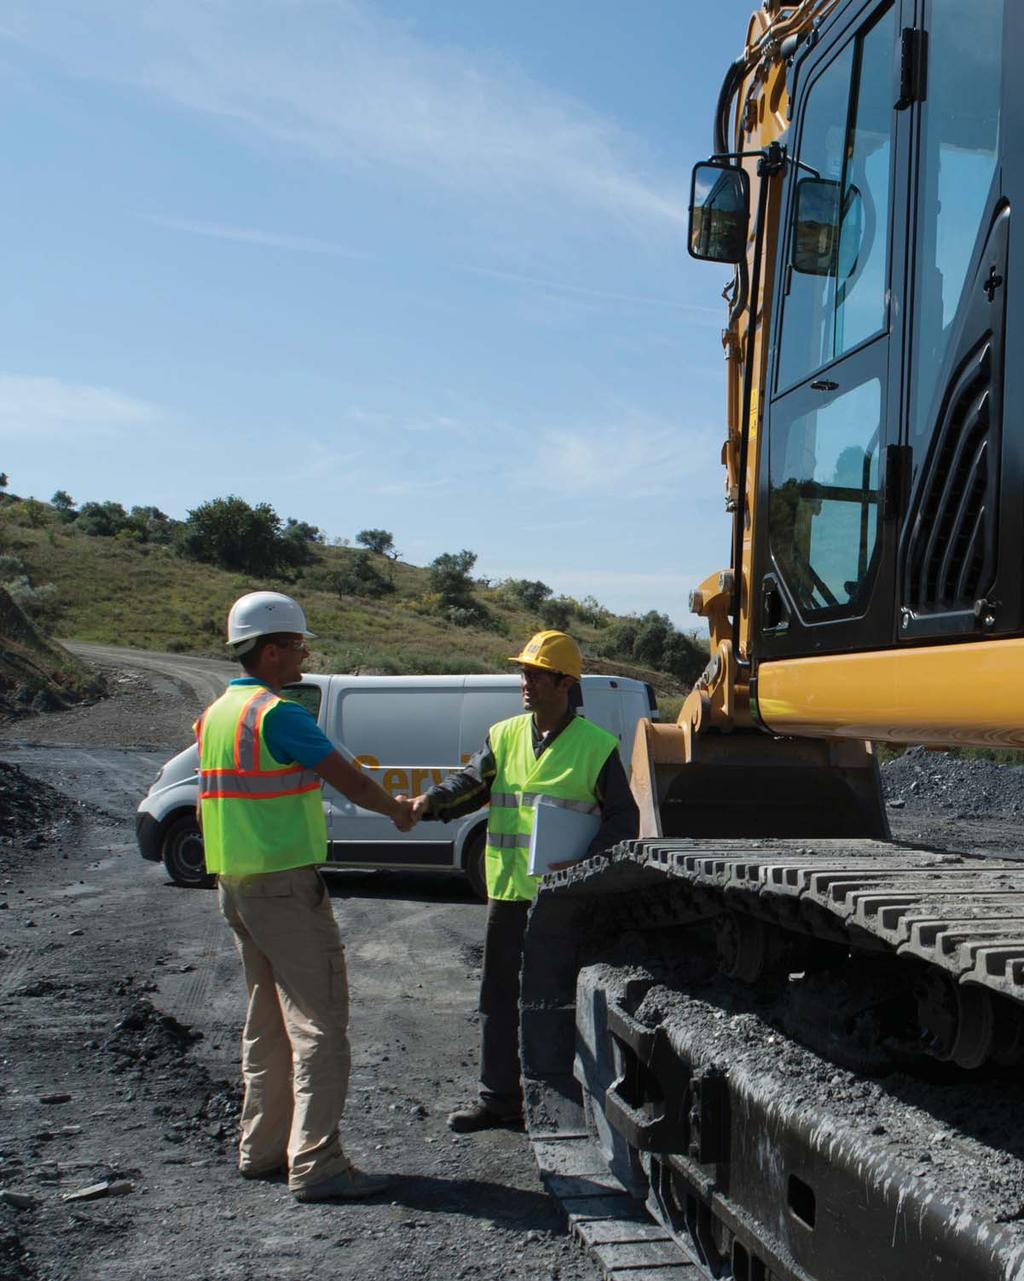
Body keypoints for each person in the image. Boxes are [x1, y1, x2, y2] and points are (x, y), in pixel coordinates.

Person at [196, 590, 414, 1201]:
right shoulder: (279, 713)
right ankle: (317, 1164)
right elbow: (348, 778)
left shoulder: (216, 715)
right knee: (320, 1025)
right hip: (284, 886)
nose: (303, 653)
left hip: (235, 884)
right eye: (295, 644)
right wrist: (398, 810)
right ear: (268, 652)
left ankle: (262, 1150)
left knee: (266, 1022)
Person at [409, 629, 639, 1132]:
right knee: (496, 998)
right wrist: (429, 803)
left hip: (562, 902)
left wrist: (583, 864)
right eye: (524, 673)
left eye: (534, 674)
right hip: (508, 894)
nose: (525, 682)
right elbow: (469, 784)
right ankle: (499, 1099)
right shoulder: (504, 735)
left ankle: (557, 1102)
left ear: (563, 683)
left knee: (552, 999)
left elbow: (624, 822)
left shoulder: (597, 747)